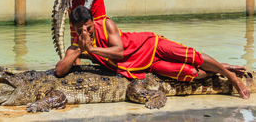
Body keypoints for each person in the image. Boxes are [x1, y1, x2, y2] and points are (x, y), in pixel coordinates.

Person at [55, 5, 251, 99]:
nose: (85, 32)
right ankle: (222, 67)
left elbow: (119, 52)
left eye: (88, 27)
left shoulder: (106, 24)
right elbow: (59, 71)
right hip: (146, 65)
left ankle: (231, 77)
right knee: (191, 73)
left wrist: (90, 48)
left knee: (194, 57)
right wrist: (79, 51)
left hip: (150, 44)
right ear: (74, 29)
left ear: (92, 22)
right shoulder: (77, 46)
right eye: (80, 29)